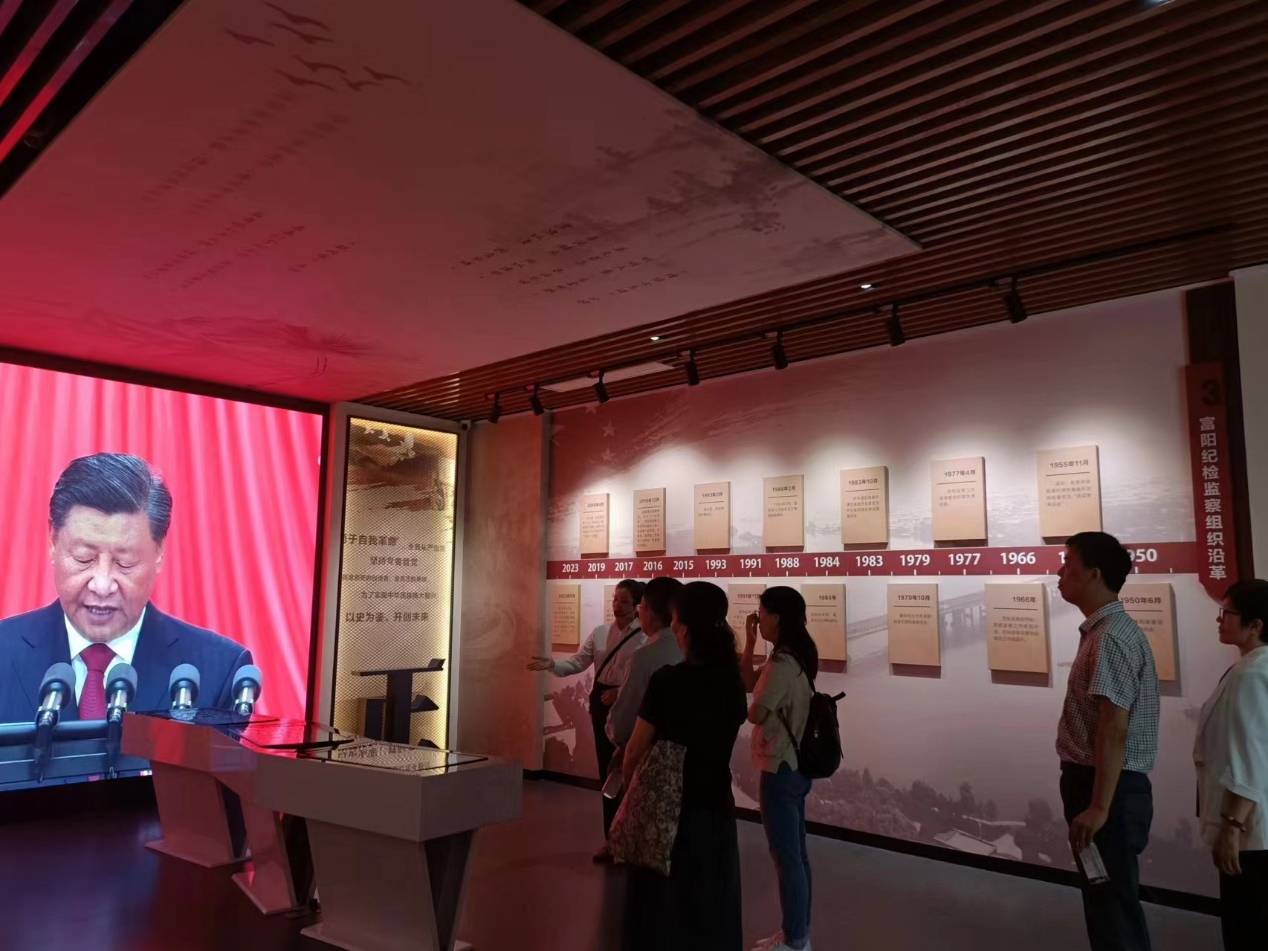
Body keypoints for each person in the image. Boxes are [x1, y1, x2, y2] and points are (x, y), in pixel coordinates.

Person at [0, 453, 252, 724]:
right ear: (53, 541)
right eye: (84, 558)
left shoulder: (219, 672)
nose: (102, 585)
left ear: (159, 552)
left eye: (125, 562)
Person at [621, 581, 747, 951]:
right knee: (710, 907)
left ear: (684, 629)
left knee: (663, 913)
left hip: (669, 813)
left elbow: (634, 750)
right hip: (717, 806)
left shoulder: (669, 681)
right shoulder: (731, 682)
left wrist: (632, 792)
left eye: (674, 618)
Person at [1055, 531, 1160, 951]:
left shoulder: (1110, 637)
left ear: (1094, 574)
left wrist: (1098, 807)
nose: (1060, 572)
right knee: (1107, 901)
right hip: (1104, 785)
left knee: (1112, 906)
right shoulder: (1105, 631)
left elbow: (1114, 727)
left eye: (1068, 563)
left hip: (1106, 789)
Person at [528, 578, 645, 859]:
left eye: (624, 601)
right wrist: (553, 664)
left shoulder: (644, 636)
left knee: (633, 770)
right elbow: (579, 662)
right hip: (601, 701)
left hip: (630, 702)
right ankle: (612, 840)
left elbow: (645, 677)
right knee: (607, 769)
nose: (617, 605)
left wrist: (620, 692)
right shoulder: (601, 632)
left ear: (637, 605)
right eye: (615, 599)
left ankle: (635, 841)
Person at [1193, 579, 1268, 951]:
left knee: (1247, 926)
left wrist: (1232, 827)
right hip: (1257, 823)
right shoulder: (1254, 667)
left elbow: (1248, 757)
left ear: (1255, 625)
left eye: (1227, 613)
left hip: (1250, 829)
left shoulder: (1251, 674)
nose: (1219, 620)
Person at [741, 586, 817, 951]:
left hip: (780, 767)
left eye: (761, 613)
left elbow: (755, 712)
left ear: (778, 617)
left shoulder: (782, 664)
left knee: (786, 857)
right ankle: (797, 933)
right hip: (795, 765)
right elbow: (747, 682)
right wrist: (749, 642)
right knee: (795, 854)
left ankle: (794, 939)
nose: (758, 619)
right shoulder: (795, 657)